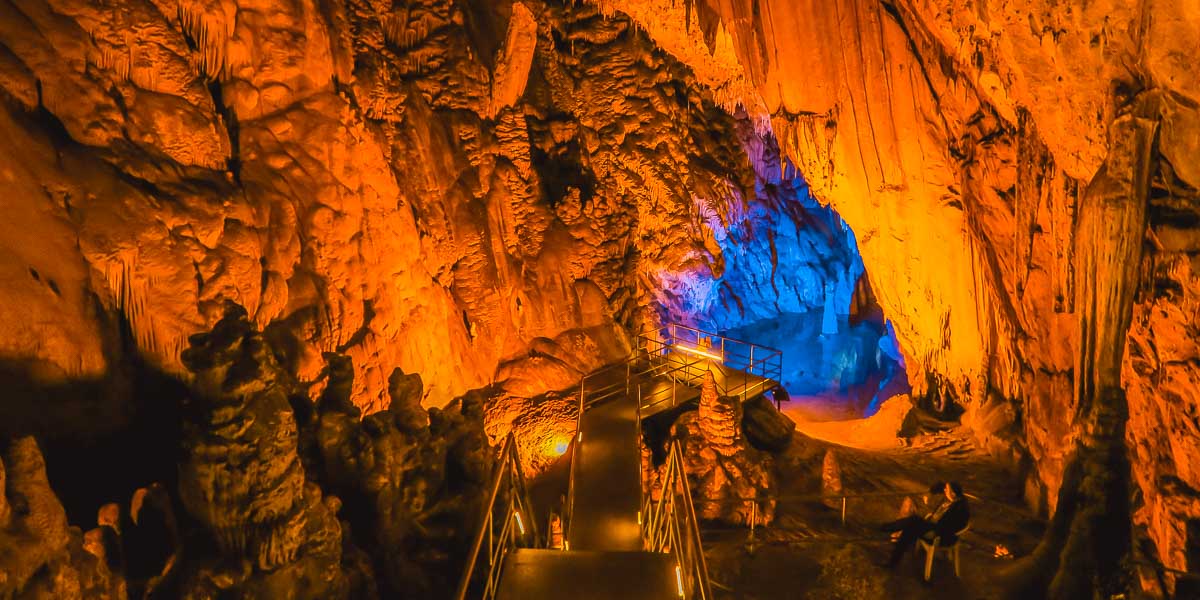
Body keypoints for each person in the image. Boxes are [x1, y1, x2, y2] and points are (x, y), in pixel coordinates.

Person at [879, 481, 970, 569]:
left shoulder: (958, 509)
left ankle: (888, 531)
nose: (944, 491)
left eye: (947, 489)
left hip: (940, 535)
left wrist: (933, 531)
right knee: (911, 525)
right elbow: (939, 485)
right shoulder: (956, 498)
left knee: (912, 524)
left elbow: (948, 528)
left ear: (953, 493)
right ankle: (893, 556)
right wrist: (930, 493)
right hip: (935, 526)